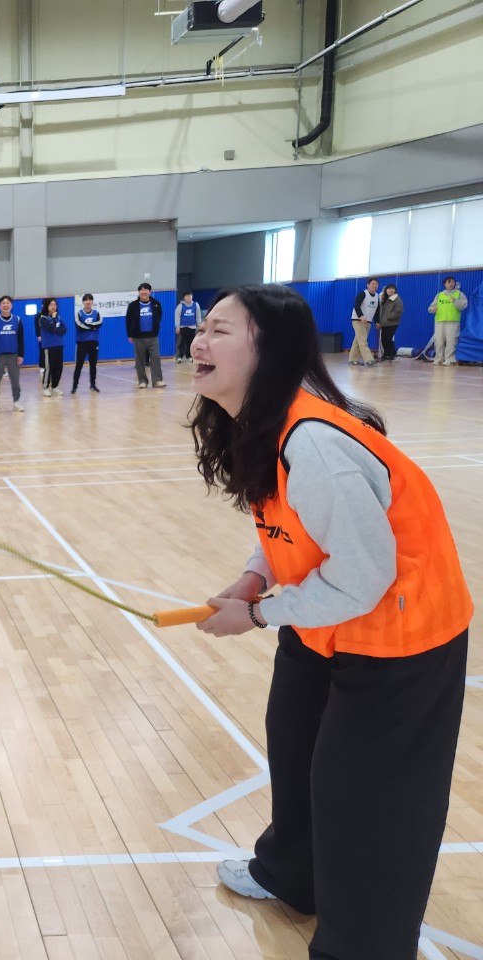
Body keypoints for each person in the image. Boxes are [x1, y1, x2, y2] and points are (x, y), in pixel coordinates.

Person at [189, 284, 471, 960]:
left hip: (399, 631)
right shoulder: (259, 423)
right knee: (293, 742)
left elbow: (364, 576)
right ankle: (292, 874)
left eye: (220, 330)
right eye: (201, 328)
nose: (199, 341)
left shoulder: (313, 442)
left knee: (366, 796)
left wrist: (258, 613)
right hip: (325, 616)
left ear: (269, 351)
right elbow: (289, 523)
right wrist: (257, 577)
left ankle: (364, 945)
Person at [0, 295, 25, 414]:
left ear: (11, 305)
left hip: (13, 355)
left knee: (15, 381)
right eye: (3, 303)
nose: (5, 305)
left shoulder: (17, 319)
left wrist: (21, 355)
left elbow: (21, 339)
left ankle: (16, 402)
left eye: (8, 303)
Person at [126, 282, 165, 388]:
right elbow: (128, 320)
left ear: (149, 292)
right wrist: (130, 334)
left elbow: (159, 316)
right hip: (138, 337)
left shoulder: (156, 304)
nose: (144, 292)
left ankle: (157, 380)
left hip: (153, 336)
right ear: (139, 292)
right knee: (139, 360)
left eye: (146, 290)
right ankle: (142, 381)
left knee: (155, 358)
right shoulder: (133, 305)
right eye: (141, 290)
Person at [428, 276, 468, 366]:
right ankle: (438, 359)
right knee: (439, 340)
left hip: (453, 321)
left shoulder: (459, 294)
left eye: (453, 282)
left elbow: (464, 305)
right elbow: (431, 307)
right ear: (444, 284)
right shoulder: (439, 295)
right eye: (449, 282)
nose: (451, 284)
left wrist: (455, 301)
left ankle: (450, 359)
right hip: (439, 321)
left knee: (451, 341)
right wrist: (432, 309)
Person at [70, 294, 102, 395]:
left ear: (92, 302)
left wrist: (88, 326)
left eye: (90, 300)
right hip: (82, 342)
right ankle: (74, 386)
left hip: (94, 341)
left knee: (93, 365)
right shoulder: (79, 313)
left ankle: (93, 385)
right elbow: (79, 325)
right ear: (83, 302)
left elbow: (99, 323)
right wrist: (92, 327)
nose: (88, 302)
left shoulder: (97, 313)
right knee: (79, 365)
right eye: (86, 300)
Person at [37, 297, 67, 397]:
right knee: (49, 368)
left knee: (59, 367)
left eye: (55, 305)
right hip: (49, 347)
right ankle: (45, 387)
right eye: (51, 305)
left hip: (59, 345)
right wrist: (54, 322)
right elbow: (51, 328)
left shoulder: (59, 317)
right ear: (46, 306)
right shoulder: (43, 318)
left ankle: (55, 386)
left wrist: (56, 328)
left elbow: (64, 330)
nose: (53, 307)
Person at [349, 277, 379, 367]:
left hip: (368, 322)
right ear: (368, 285)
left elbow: (377, 310)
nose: (374, 286)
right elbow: (356, 305)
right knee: (363, 340)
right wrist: (360, 315)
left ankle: (353, 360)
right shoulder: (363, 294)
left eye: (376, 284)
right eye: (373, 284)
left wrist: (377, 321)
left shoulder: (377, 296)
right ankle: (369, 360)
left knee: (358, 340)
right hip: (358, 320)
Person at [377, 284, 403, 361]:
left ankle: (391, 354)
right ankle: (386, 354)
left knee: (388, 338)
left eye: (392, 289)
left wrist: (389, 316)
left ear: (395, 290)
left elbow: (398, 311)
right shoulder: (384, 299)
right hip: (384, 323)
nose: (391, 290)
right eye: (389, 289)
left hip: (392, 323)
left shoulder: (397, 299)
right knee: (384, 339)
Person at [175, 291, 201, 363]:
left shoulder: (196, 305)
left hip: (192, 327)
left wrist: (199, 325)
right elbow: (177, 317)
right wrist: (177, 327)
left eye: (190, 296)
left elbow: (198, 316)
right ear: (184, 297)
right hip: (182, 327)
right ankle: (179, 357)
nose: (189, 297)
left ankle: (189, 356)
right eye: (187, 296)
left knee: (190, 342)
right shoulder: (180, 306)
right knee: (181, 342)